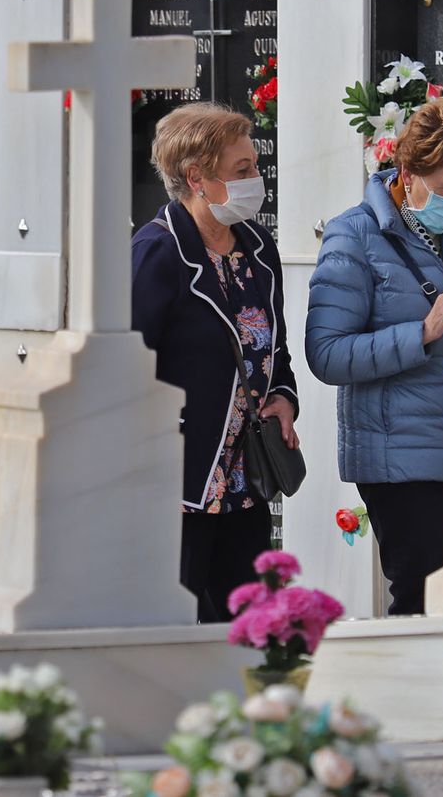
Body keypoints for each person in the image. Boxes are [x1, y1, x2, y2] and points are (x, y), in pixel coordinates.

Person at [306, 97, 443, 615]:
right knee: (423, 601)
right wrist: (423, 333)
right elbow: (328, 353)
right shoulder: (354, 234)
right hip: (400, 456)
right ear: (409, 174)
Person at [132, 102, 301, 622]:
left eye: (255, 165)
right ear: (195, 177)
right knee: (175, 625)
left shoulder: (255, 246)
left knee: (251, 624)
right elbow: (130, 362)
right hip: (180, 479)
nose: (256, 178)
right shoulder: (157, 252)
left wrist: (283, 397)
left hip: (245, 478)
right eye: (242, 169)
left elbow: (274, 344)